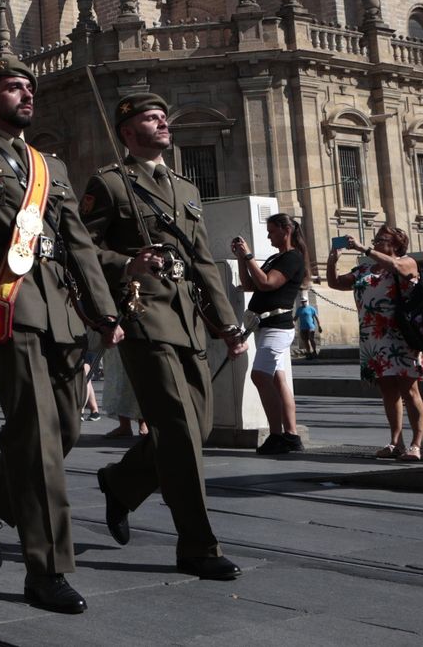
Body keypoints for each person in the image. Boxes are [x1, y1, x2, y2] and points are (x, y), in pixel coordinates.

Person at [0, 55, 121, 614]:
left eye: (29, 88)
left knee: (63, 431)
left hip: (59, 309)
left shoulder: (50, 168)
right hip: (9, 306)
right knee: (38, 439)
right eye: (13, 88)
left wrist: (104, 310)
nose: (26, 95)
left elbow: (80, 243)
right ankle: (47, 570)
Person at [80, 90, 246, 585]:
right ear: (128, 131)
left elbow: (201, 263)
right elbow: (82, 249)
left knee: (199, 427)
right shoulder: (109, 184)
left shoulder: (185, 190)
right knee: (176, 429)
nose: (163, 123)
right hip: (143, 316)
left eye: (164, 116)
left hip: (188, 319)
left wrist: (226, 322)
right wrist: (124, 263)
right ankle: (198, 544)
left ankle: (122, 482)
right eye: (152, 118)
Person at [325, 227, 423, 461]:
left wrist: (364, 248)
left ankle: (417, 444)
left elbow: (399, 269)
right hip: (372, 338)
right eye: (376, 240)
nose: (376, 243)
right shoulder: (364, 269)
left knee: (410, 391)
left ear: (396, 245)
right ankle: (396, 442)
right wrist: (332, 261)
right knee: (388, 391)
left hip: (401, 336)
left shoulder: (406, 262)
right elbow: (336, 283)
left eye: (382, 240)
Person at [233, 213, 307, 454]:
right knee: (276, 378)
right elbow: (249, 285)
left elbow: (267, 283)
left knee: (260, 376)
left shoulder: (293, 258)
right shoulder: (277, 257)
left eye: (272, 231)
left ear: (286, 231)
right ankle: (291, 435)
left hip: (277, 327)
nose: (268, 236)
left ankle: (277, 435)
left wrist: (248, 256)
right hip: (265, 326)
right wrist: (242, 261)